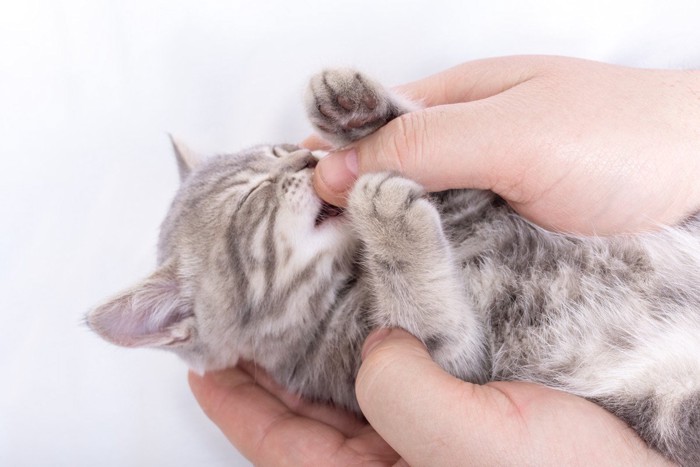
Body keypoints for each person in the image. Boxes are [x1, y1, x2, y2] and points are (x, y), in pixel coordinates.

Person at [188, 55, 700, 465]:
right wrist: (403, 257)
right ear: (190, 316)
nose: (302, 163)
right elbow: (453, 365)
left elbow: (475, 211)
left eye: (276, 156)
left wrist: (389, 135)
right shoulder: (317, 354)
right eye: (250, 203)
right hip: (659, 380)